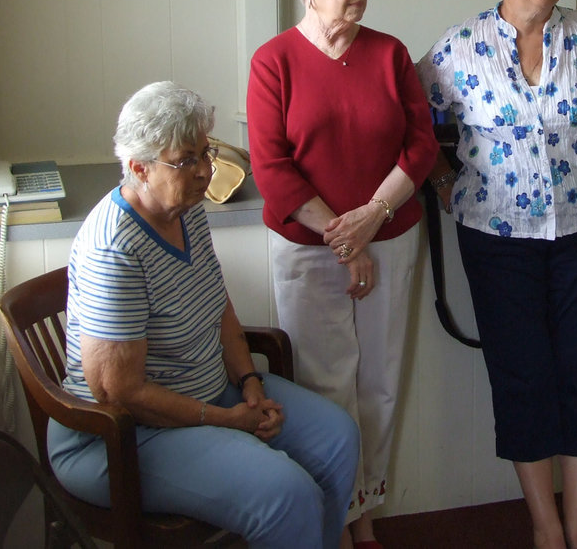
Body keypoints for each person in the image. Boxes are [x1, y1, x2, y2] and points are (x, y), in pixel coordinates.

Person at [47, 81, 359, 549]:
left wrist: (250, 384)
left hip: (214, 393)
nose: (205, 171)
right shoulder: (113, 248)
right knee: (285, 493)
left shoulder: (185, 209)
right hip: (119, 438)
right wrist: (226, 419)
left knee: (339, 439)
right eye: (186, 160)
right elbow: (119, 391)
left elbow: (218, 306)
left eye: (205, 152)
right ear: (139, 168)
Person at [417, 0, 577, 549]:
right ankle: (545, 525)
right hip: (495, 235)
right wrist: (442, 178)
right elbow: (414, 120)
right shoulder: (458, 48)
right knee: (520, 371)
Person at [246, 0, 438, 549]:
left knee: (380, 382)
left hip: (390, 236)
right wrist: (342, 236)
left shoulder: (389, 53)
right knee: (324, 388)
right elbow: (273, 169)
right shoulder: (273, 62)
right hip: (309, 250)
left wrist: (373, 217)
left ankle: (365, 508)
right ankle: (338, 510)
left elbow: (420, 146)